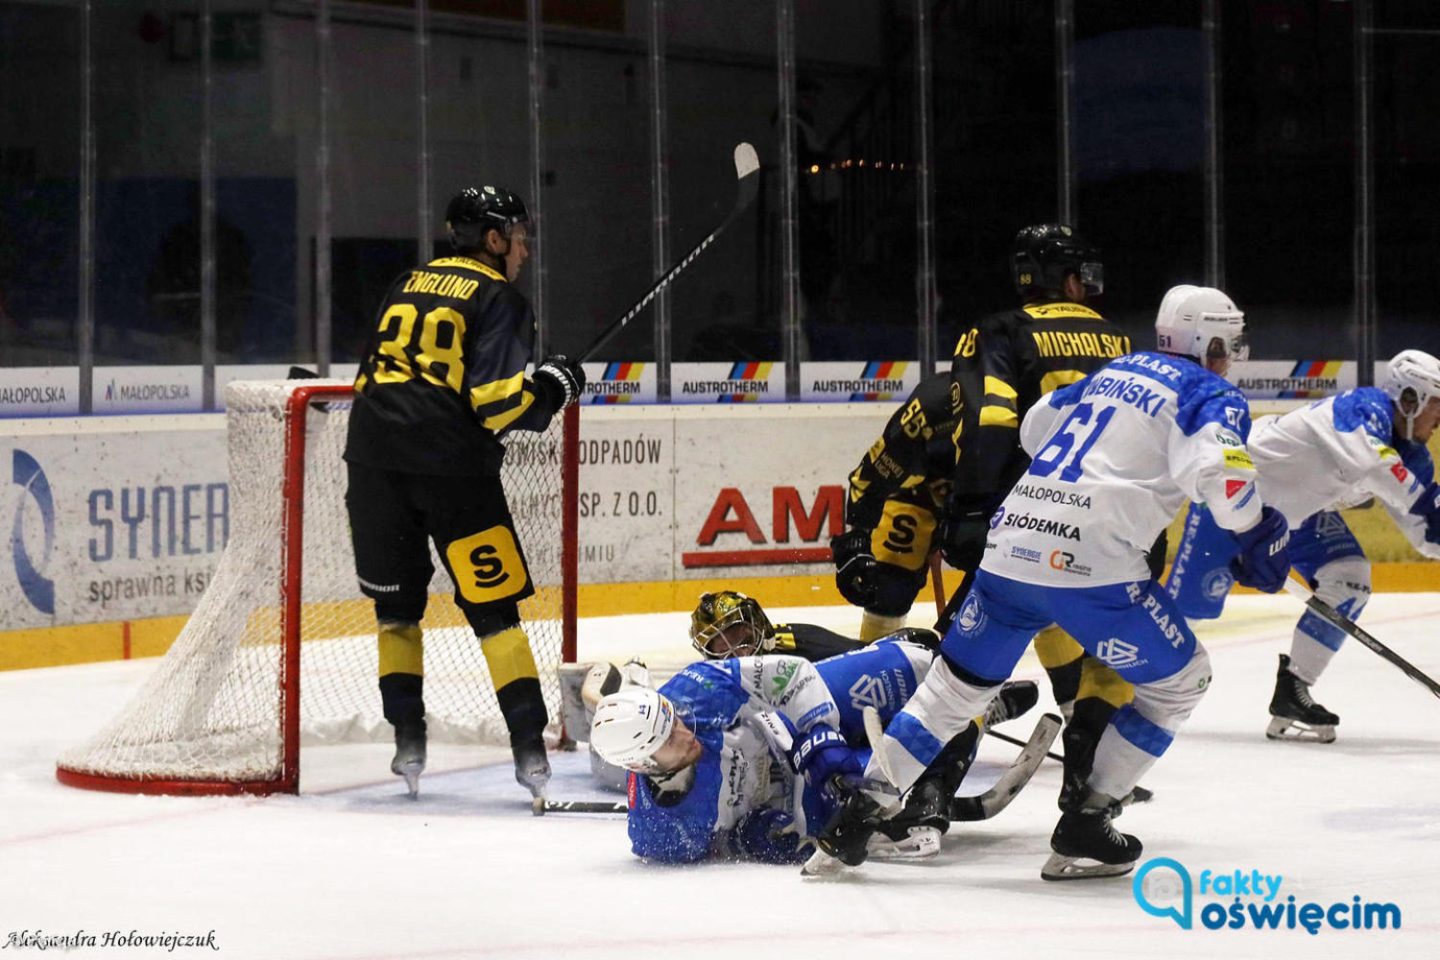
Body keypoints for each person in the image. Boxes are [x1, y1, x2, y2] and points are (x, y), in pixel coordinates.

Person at [827, 285, 1292, 880]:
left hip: (1011, 545)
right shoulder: (1210, 392)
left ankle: (857, 817)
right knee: (1181, 683)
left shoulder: (1111, 372)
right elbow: (1226, 490)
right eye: (1231, 344)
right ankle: (1088, 818)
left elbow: (1034, 428)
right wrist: (1258, 529)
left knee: (951, 693)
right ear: (1212, 342)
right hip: (1093, 568)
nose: (1233, 357)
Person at [342, 185, 586, 801]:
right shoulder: (499, 297)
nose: (525, 249)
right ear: (494, 239)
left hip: (371, 462)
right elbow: (499, 404)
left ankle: (408, 741)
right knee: (495, 612)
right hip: (451, 469)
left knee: (396, 611)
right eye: (519, 236)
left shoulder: (408, 281)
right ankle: (529, 749)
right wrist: (554, 390)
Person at [937, 224, 1147, 809]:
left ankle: (929, 780)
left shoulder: (999, 331)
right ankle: (1094, 775)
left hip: (1030, 520)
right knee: (1111, 645)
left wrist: (972, 507)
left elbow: (990, 423)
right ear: (1067, 277)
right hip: (1112, 523)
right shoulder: (1118, 340)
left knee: (971, 659)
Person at [1166, 346, 1440, 742]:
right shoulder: (1362, 410)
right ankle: (1112, 694)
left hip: (1297, 517)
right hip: (1235, 499)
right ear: (1410, 399)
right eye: (1437, 404)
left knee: (1348, 577)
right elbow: (1387, 474)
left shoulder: (1413, 455)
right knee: (1184, 617)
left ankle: (1293, 689)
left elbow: (1425, 533)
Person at [588, 635, 1036, 865]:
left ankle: (969, 702)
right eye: (669, 740)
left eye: (675, 720)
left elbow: (789, 673)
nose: (685, 732)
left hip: (788, 723)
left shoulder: (691, 695)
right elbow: (726, 843)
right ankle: (978, 715)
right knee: (903, 774)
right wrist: (752, 837)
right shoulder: (663, 835)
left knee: (914, 656)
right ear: (644, 765)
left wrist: (820, 734)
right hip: (804, 801)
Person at [829, 373, 965, 640]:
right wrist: (859, 535)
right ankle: (870, 671)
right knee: (888, 589)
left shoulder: (1024, 404)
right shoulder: (930, 409)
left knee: (1012, 587)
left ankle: (1070, 682)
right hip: (917, 492)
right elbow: (871, 477)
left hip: (987, 497)